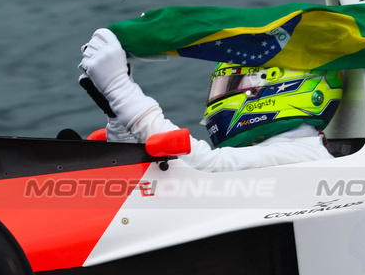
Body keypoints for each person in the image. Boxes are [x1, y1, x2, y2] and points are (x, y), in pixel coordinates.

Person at [79, 27, 341, 171]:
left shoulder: (304, 155)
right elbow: (148, 182)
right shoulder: (283, 153)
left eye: (234, 85)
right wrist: (118, 119)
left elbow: (204, 167)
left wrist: (119, 88)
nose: (221, 97)